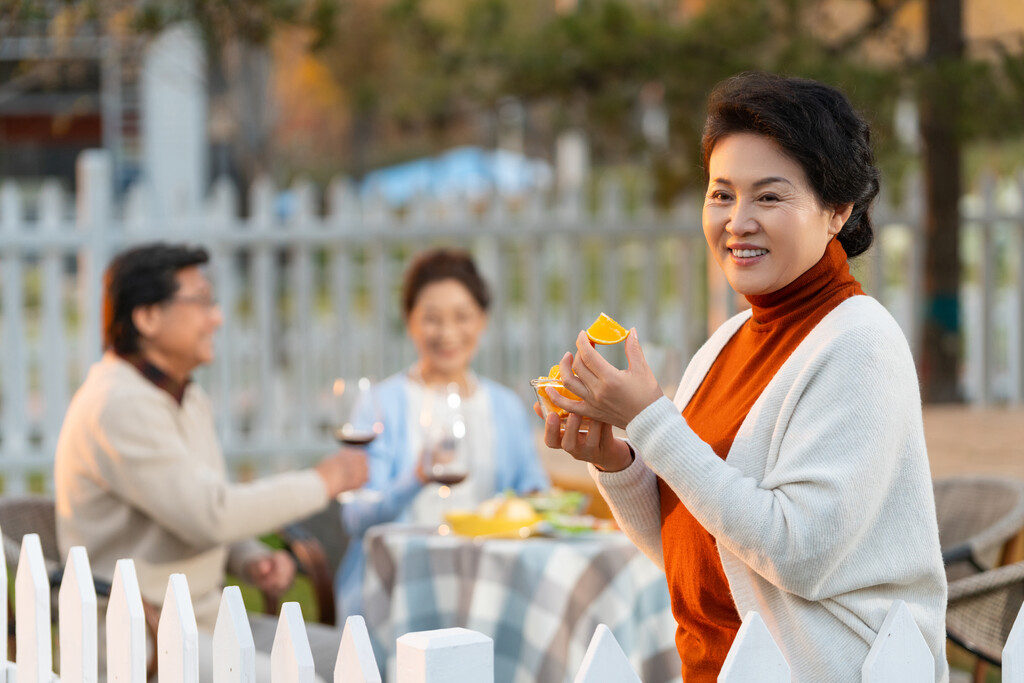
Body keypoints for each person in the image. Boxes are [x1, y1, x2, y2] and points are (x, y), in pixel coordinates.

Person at [541, 72, 948, 682]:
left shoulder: (860, 343)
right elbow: (703, 552)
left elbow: (799, 553)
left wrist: (652, 421)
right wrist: (620, 462)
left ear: (837, 211)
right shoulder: (726, 343)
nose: (737, 221)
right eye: (722, 194)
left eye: (769, 196)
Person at [54, 243, 368, 683]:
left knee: (353, 659)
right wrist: (325, 480)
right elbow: (212, 514)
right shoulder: (117, 405)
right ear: (147, 317)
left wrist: (249, 558)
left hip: (205, 621)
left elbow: (191, 505)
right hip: (144, 635)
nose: (216, 317)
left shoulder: (184, 396)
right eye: (200, 301)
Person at [335, 248, 550, 619]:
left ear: (482, 321)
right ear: (410, 322)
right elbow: (355, 517)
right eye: (432, 319)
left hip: (489, 589)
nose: (448, 332)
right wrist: (415, 478)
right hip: (396, 590)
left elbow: (534, 491)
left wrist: (539, 502)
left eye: (463, 317)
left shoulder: (505, 407)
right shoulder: (380, 404)